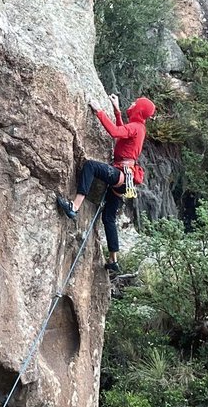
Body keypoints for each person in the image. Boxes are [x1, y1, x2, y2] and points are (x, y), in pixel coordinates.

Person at [57, 94, 154, 280]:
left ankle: (74, 206)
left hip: (121, 175)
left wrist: (99, 111)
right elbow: (123, 133)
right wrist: (116, 110)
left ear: (140, 110)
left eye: (135, 103)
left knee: (90, 166)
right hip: (127, 179)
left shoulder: (136, 127)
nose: (132, 103)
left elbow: (116, 132)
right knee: (108, 218)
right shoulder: (139, 128)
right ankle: (113, 260)